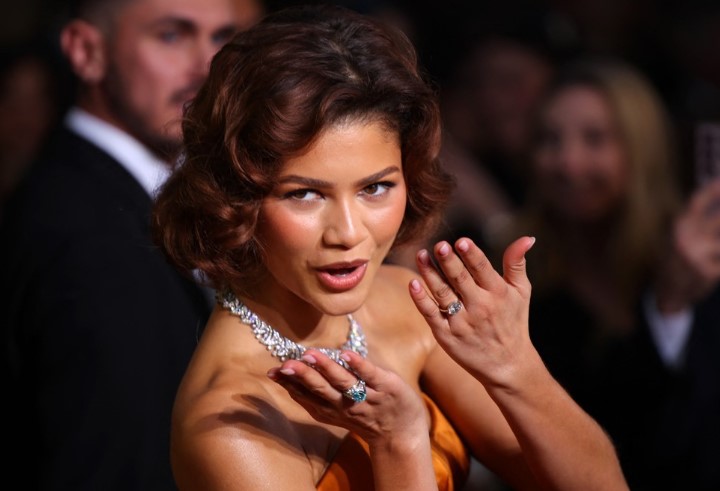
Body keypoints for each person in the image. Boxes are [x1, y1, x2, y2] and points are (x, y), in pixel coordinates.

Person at [152, 6, 629, 490]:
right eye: (305, 194)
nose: (348, 233)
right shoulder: (229, 424)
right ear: (236, 198)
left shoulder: (408, 302)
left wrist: (516, 366)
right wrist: (398, 444)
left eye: (375, 188)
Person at [0, 0, 245, 489]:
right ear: (85, 51)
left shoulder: (142, 197)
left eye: (221, 38)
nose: (206, 66)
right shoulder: (85, 234)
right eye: (171, 35)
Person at [504, 58, 720, 490]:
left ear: (641, 150)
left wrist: (671, 308)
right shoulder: (523, 277)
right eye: (550, 140)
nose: (569, 163)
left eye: (595, 139)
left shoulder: (694, 262)